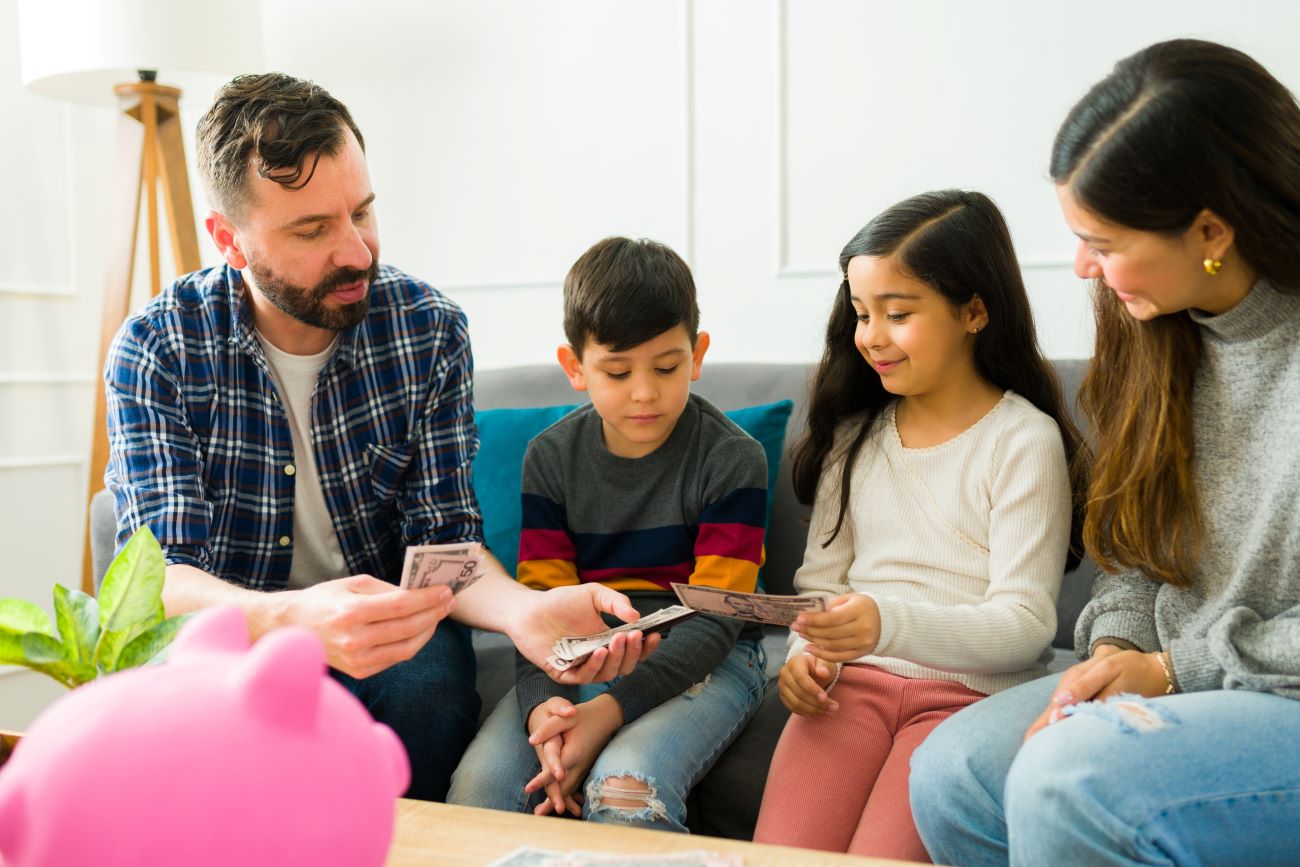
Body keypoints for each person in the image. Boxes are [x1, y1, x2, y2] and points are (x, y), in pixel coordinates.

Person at [103, 73, 655, 803]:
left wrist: (525, 612)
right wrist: (295, 616)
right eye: (311, 230)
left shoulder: (428, 329)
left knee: (427, 687)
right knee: (184, 693)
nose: (357, 252)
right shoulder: (157, 348)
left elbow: (442, 545)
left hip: (391, 627)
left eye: (362, 212)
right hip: (238, 629)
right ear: (230, 240)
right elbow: (158, 583)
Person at [909, 39, 1300, 866]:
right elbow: (1132, 547)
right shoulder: (1148, 329)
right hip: (1183, 674)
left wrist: (1172, 667)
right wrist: (1119, 650)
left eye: (1105, 240)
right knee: (955, 771)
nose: (1083, 265)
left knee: (1068, 778)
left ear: (1210, 229)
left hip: (1277, 685)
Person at [751, 190, 1085, 862]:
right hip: (848, 688)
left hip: (967, 695)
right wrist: (804, 656)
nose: (872, 334)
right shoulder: (852, 437)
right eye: (861, 312)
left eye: (897, 313)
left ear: (974, 310)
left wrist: (885, 622)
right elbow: (819, 588)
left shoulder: (1023, 439)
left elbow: (1024, 624)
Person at [446, 236, 770, 832]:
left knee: (625, 790)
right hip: (576, 655)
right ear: (576, 368)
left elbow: (719, 615)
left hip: (710, 655)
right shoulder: (550, 459)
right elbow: (540, 612)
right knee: (481, 792)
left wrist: (608, 714)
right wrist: (545, 708)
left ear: (697, 355)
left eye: (667, 367)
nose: (644, 392)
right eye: (617, 372)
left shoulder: (733, 459)